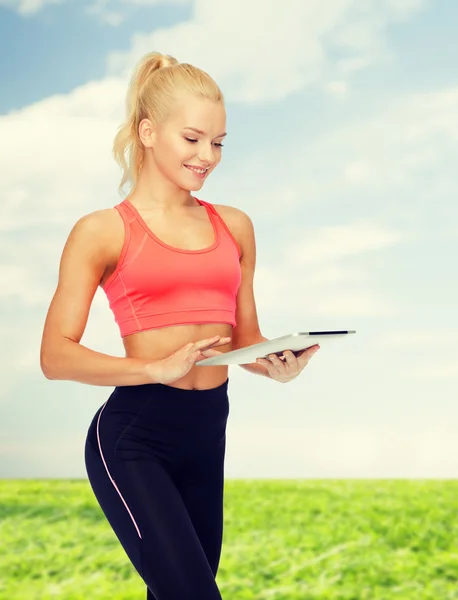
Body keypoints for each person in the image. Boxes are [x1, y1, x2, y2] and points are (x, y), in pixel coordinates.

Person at [39, 51, 320, 599]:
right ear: (147, 131)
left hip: (207, 429)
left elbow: (245, 339)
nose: (207, 156)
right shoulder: (102, 231)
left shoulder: (234, 226)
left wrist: (276, 363)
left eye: (217, 142)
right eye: (192, 139)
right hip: (135, 434)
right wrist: (153, 367)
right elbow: (55, 355)